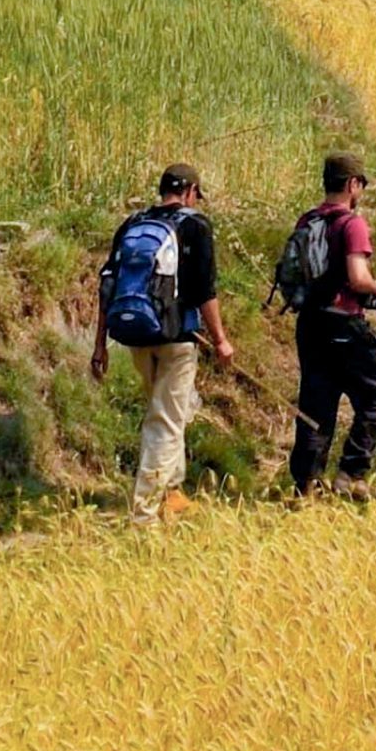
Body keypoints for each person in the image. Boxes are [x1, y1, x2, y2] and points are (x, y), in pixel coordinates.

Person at [90, 164, 234, 526]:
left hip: (137, 333)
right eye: (197, 195)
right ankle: (145, 513)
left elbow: (107, 286)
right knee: (166, 422)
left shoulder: (133, 223)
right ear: (190, 192)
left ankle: (172, 493)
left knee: (171, 410)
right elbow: (204, 292)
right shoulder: (194, 225)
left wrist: (100, 346)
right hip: (177, 340)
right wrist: (221, 340)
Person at [287, 153, 376, 500]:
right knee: (375, 399)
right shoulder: (351, 224)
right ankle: (351, 475)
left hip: (309, 323)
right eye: (360, 184)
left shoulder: (306, 220)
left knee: (316, 406)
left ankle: (305, 486)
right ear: (352, 184)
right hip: (344, 322)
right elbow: (357, 277)